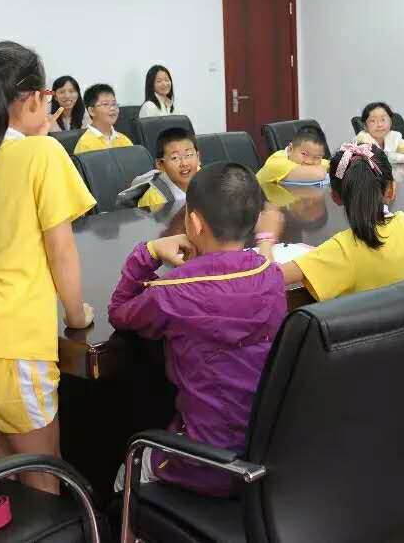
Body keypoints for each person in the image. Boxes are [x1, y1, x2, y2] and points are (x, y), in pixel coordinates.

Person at [0, 41, 97, 493]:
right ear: (30, 97)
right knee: (44, 477)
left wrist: (35, 136)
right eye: (45, 96)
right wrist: (76, 315)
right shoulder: (41, 153)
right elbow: (61, 250)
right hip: (10, 341)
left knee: (8, 475)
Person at [108, 163, 286, 496]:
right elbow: (259, 265)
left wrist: (149, 252)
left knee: (126, 475)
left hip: (205, 461)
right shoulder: (270, 275)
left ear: (194, 222)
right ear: (253, 222)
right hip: (268, 455)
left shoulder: (174, 291)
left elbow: (119, 311)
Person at [262, 143, 404, 301]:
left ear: (335, 196)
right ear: (391, 190)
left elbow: (263, 281)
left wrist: (266, 236)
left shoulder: (342, 250)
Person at [136, 127, 202, 208]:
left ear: (198, 157)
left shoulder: (206, 180)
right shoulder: (154, 198)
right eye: (175, 158)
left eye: (189, 155)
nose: (184, 163)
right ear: (160, 165)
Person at [355, 101, 404, 165]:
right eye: (373, 121)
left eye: (383, 120)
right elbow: (380, 157)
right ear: (365, 126)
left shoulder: (393, 136)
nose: (379, 124)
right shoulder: (362, 138)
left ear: (390, 122)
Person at [256, 125, 328, 185]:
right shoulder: (277, 163)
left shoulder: (310, 161)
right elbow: (319, 174)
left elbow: (331, 165)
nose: (309, 162)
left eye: (316, 157)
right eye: (304, 154)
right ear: (290, 149)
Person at [73, 84, 132, 155]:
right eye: (105, 104)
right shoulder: (85, 144)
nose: (112, 108)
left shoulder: (124, 140)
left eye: (114, 104)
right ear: (92, 111)